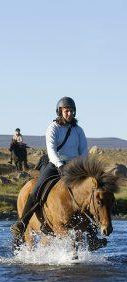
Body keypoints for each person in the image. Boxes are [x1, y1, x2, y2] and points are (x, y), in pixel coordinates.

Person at [10, 97, 106, 250]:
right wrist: (60, 165)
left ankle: (93, 236)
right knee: (37, 189)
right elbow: (51, 150)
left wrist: (84, 168)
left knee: (90, 195)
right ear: (60, 111)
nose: (69, 113)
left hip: (75, 167)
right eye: (66, 110)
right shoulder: (53, 128)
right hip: (55, 165)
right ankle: (22, 223)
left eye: (71, 111)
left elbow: (84, 152)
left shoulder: (78, 130)